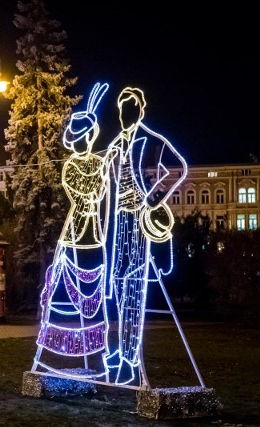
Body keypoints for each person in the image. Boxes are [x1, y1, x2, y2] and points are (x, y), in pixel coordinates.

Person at [103, 87, 187, 385]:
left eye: (131, 109)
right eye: (122, 110)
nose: (126, 115)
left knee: (135, 287)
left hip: (139, 220)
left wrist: (152, 199)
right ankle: (119, 350)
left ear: (140, 111)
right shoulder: (115, 143)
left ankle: (128, 358)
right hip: (119, 221)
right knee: (118, 284)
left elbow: (178, 169)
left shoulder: (150, 140)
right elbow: (104, 175)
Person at [32, 82, 111, 380]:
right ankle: (54, 352)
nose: (82, 144)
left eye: (85, 137)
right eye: (78, 139)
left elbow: (101, 193)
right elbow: (88, 193)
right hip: (76, 234)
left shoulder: (97, 162)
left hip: (94, 238)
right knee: (64, 297)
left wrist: (103, 169)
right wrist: (101, 171)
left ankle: (99, 356)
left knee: (96, 299)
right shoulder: (71, 167)